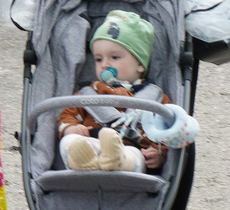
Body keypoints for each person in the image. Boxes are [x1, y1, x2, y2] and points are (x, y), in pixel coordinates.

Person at [58, 10, 173, 173]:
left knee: (134, 156)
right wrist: (71, 128)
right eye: (99, 59)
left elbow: (167, 129)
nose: (104, 65)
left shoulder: (155, 97)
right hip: (93, 145)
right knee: (70, 141)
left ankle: (117, 161)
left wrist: (159, 153)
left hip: (130, 150)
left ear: (140, 64)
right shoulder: (90, 92)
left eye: (115, 57)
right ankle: (83, 161)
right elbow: (68, 114)